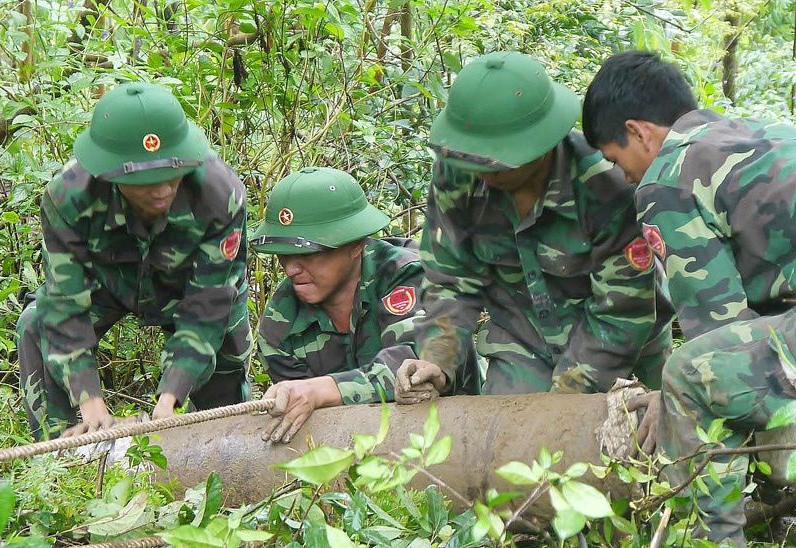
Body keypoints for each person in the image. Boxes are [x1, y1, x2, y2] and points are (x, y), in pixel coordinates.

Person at [582, 49, 796, 546]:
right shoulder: (767, 134)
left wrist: (674, 400)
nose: (626, 177)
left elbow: (716, 329)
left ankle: (709, 537)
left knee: (687, 374)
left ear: (639, 131)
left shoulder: (668, 178)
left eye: (617, 161)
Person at [395, 51, 674, 404]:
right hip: (520, 336)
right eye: (472, 155)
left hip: (623, 342)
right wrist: (436, 360)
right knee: (507, 443)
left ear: (541, 144)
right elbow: (451, 277)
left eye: (494, 158)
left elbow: (622, 308)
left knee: (635, 441)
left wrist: (564, 398)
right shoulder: (456, 174)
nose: (480, 168)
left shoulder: (606, 182)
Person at [17, 82, 252, 440]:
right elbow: (65, 303)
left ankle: (222, 446)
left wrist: (172, 395)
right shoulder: (69, 197)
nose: (160, 190)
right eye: (142, 181)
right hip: (107, 285)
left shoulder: (220, 195)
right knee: (36, 324)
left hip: (187, 289)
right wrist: (89, 398)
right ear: (108, 174)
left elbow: (208, 306)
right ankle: (58, 460)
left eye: (170, 175)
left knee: (227, 350)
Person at [251, 166, 482, 443]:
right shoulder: (280, 325)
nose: (291, 270)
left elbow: (416, 366)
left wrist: (319, 391)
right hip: (355, 447)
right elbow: (304, 420)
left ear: (356, 245)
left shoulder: (408, 275)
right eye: (283, 255)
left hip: (457, 433)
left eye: (308, 254)